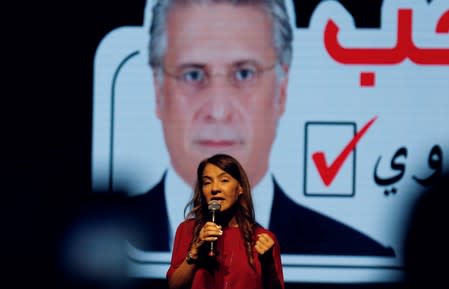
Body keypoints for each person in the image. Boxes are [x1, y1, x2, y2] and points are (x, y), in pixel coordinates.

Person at [126, 0, 395, 257]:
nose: (218, 111)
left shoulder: (358, 258)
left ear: (282, 90)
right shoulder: (107, 243)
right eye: (193, 75)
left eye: (244, 73)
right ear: (159, 90)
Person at [166, 154, 284, 289]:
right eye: (207, 182)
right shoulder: (188, 230)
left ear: (240, 188)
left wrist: (268, 265)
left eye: (224, 180)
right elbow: (174, 286)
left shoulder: (262, 238)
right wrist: (195, 252)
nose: (215, 189)